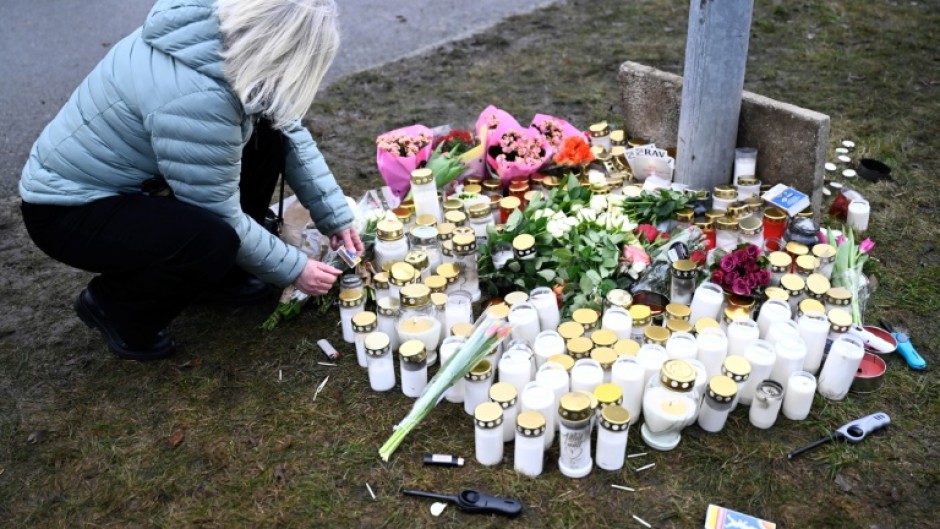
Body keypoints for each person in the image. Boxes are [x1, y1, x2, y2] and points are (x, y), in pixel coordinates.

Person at [18, 0, 362, 361]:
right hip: (68, 210)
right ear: (278, 47)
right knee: (209, 240)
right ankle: (115, 308)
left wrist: (335, 217)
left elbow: (286, 126)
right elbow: (219, 214)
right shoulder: (200, 96)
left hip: (125, 186)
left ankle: (222, 276)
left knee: (268, 139)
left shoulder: (220, 35)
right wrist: (295, 268)